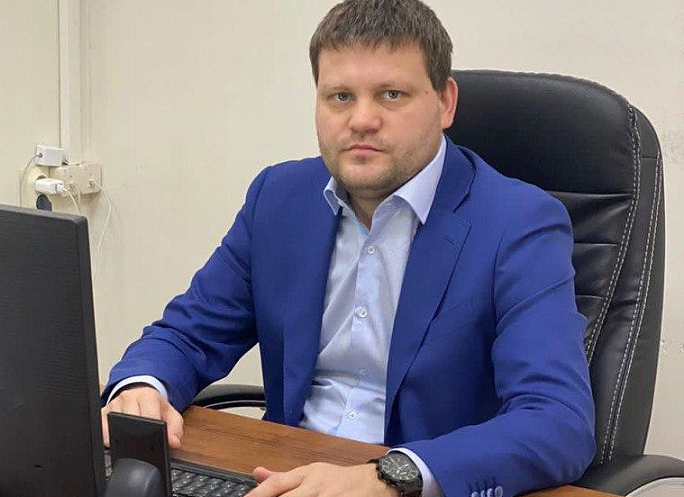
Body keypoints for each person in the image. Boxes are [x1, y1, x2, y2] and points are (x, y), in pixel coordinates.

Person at [101, 1, 596, 496]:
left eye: (391, 95)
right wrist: (143, 386)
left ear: (445, 103)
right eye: (340, 96)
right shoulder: (278, 199)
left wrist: (391, 477)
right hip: (281, 476)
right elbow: (188, 334)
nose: (362, 120)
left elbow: (557, 420)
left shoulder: (518, 223)